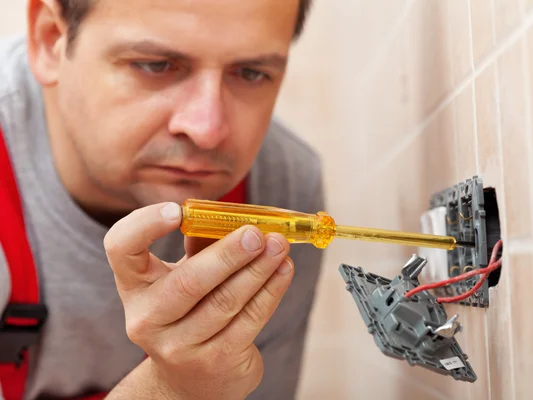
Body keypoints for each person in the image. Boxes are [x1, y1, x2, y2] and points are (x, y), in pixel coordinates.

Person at [0, 0, 325, 399]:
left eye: (251, 73)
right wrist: (169, 389)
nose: (207, 129)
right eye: (156, 65)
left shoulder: (283, 190)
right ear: (50, 39)